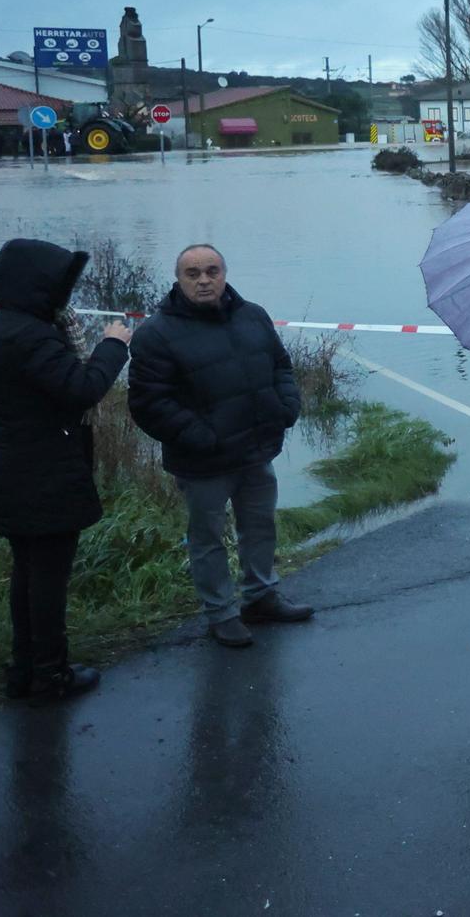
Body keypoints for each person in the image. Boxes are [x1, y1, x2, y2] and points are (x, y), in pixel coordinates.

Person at [0, 240, 132, 702]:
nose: (64, 293)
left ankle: (26, 669)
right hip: (40, 472)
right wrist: (112, 346)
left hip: (11, 465)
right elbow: (81, 388)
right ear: (37, 284)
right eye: (58, 284)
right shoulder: (31, 336)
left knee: (27, 572)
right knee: (46, 579)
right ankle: (51, 676)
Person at [129, 244, 312, 648]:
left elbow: (281, 365)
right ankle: (221, 613)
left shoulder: (253, 316)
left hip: (256, 449)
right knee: (208, 537)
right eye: (193, 274)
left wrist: (286, 406)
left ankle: (261, 597)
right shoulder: (156, 334)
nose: (204, 280)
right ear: (178, 280)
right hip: (203, 463)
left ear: (224, 273)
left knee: (260, 526)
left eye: (212, 271)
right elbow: (148, 403)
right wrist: (200, 437)